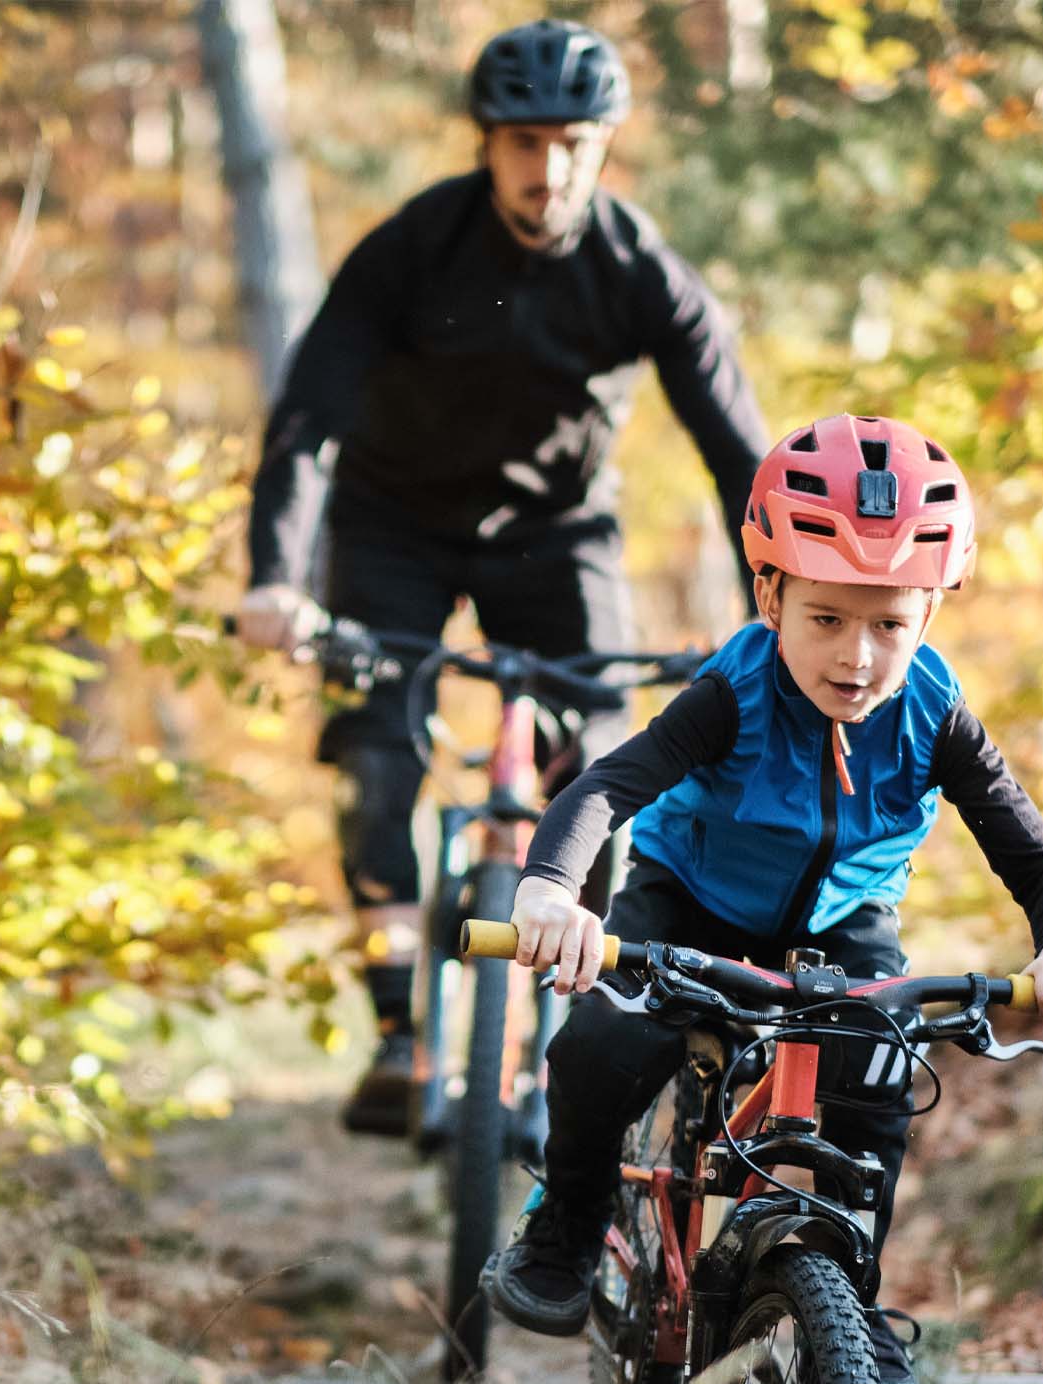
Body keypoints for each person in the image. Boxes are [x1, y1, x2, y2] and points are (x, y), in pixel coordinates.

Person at [477, 412, 1043, 1384]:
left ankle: (848, 1302)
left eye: (889, 624)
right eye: (826, 618)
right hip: (689, 902)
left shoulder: (934, 712)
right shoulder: (733, 690)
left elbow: (1036, 855)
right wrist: (553, 887)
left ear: (929, 615)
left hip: (841, 922)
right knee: (602, 1039)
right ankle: (566, 1220)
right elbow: (607, 788)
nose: (858, 656)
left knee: (878, 1075)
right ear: (771, 593)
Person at [232, 18, 769, 1137]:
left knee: (610, 760)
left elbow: (736, 454)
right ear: (489, 146)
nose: (549, 168)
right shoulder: (413, 247)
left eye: (573, 143)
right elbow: (309, 420)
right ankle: (397, 1028)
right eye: (525, 143)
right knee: (379, 756)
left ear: (605, 147)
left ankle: (573, 1032)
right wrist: (276, 577)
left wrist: (773, 603)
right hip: (394, 525)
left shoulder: (638, 269)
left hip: (556, 533)